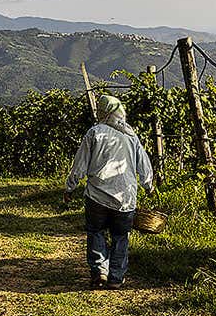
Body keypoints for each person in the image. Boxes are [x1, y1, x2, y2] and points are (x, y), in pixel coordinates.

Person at [64, 94, 155, 290]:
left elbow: (79, 165)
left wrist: (70, 187)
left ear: (102, 113)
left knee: (96, 231)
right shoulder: (131, 136)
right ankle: (115, 277)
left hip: (97, 195)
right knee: (121, 236)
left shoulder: (95, 133)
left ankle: (99, 272)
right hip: (125, 197)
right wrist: (149, 187)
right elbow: (144, 166)